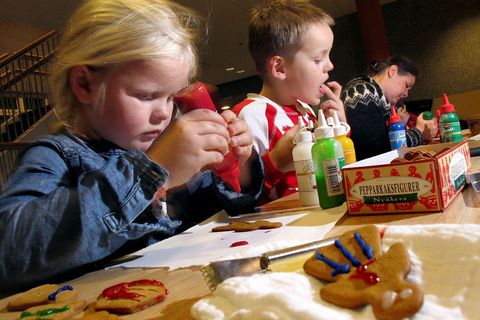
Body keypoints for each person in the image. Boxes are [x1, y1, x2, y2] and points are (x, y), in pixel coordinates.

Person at [0, 0, 264, 295]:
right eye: (146, 95)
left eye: (170, 98)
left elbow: (221, 206)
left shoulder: (157, 149)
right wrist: (154, 172)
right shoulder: (55, 156)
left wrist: (238, 165)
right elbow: (10, 251)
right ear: (85, 85)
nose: (164, 113)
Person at [232, 0, 345, 202]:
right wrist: (276, 162)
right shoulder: (251, 116)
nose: (330, 65)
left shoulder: (306, 111)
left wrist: (339, 127)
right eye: (319, 58)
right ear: (280, 68)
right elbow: (241, 196)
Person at [342, 55, 437, 160]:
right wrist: (419, 132)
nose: (406, 94)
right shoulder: (361, 92)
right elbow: (376, 149)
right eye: (406, 85)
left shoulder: (378, 97)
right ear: (393, 71)